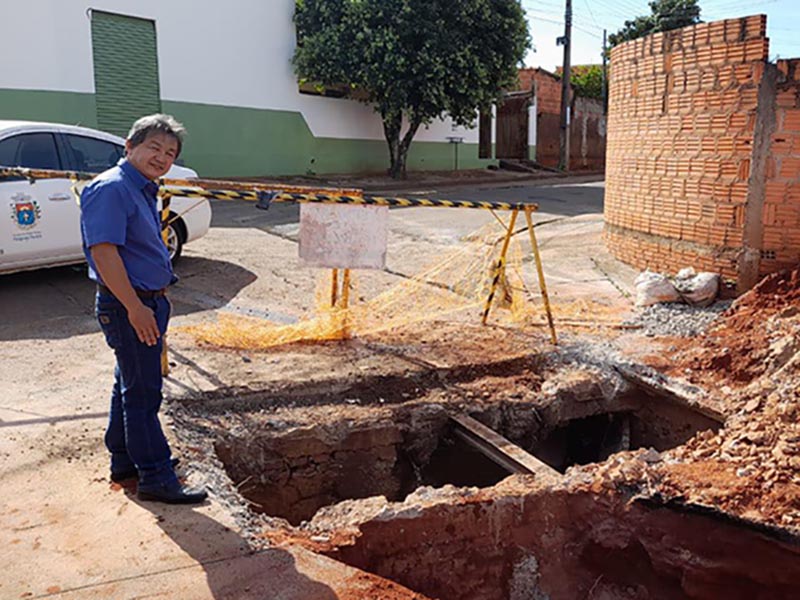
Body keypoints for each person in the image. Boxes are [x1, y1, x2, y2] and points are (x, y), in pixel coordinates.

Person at [80, 114, 207, 504]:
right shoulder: (113, 188)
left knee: (128, 383)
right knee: (144, 395)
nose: (162, 157)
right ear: (129, 145)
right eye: (154, 147)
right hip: (129, 305)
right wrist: (135, 308)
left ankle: (124, 461)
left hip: (147, 302)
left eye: (170, 153)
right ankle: (156, 476)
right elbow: (104, 252)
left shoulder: (143, 188)